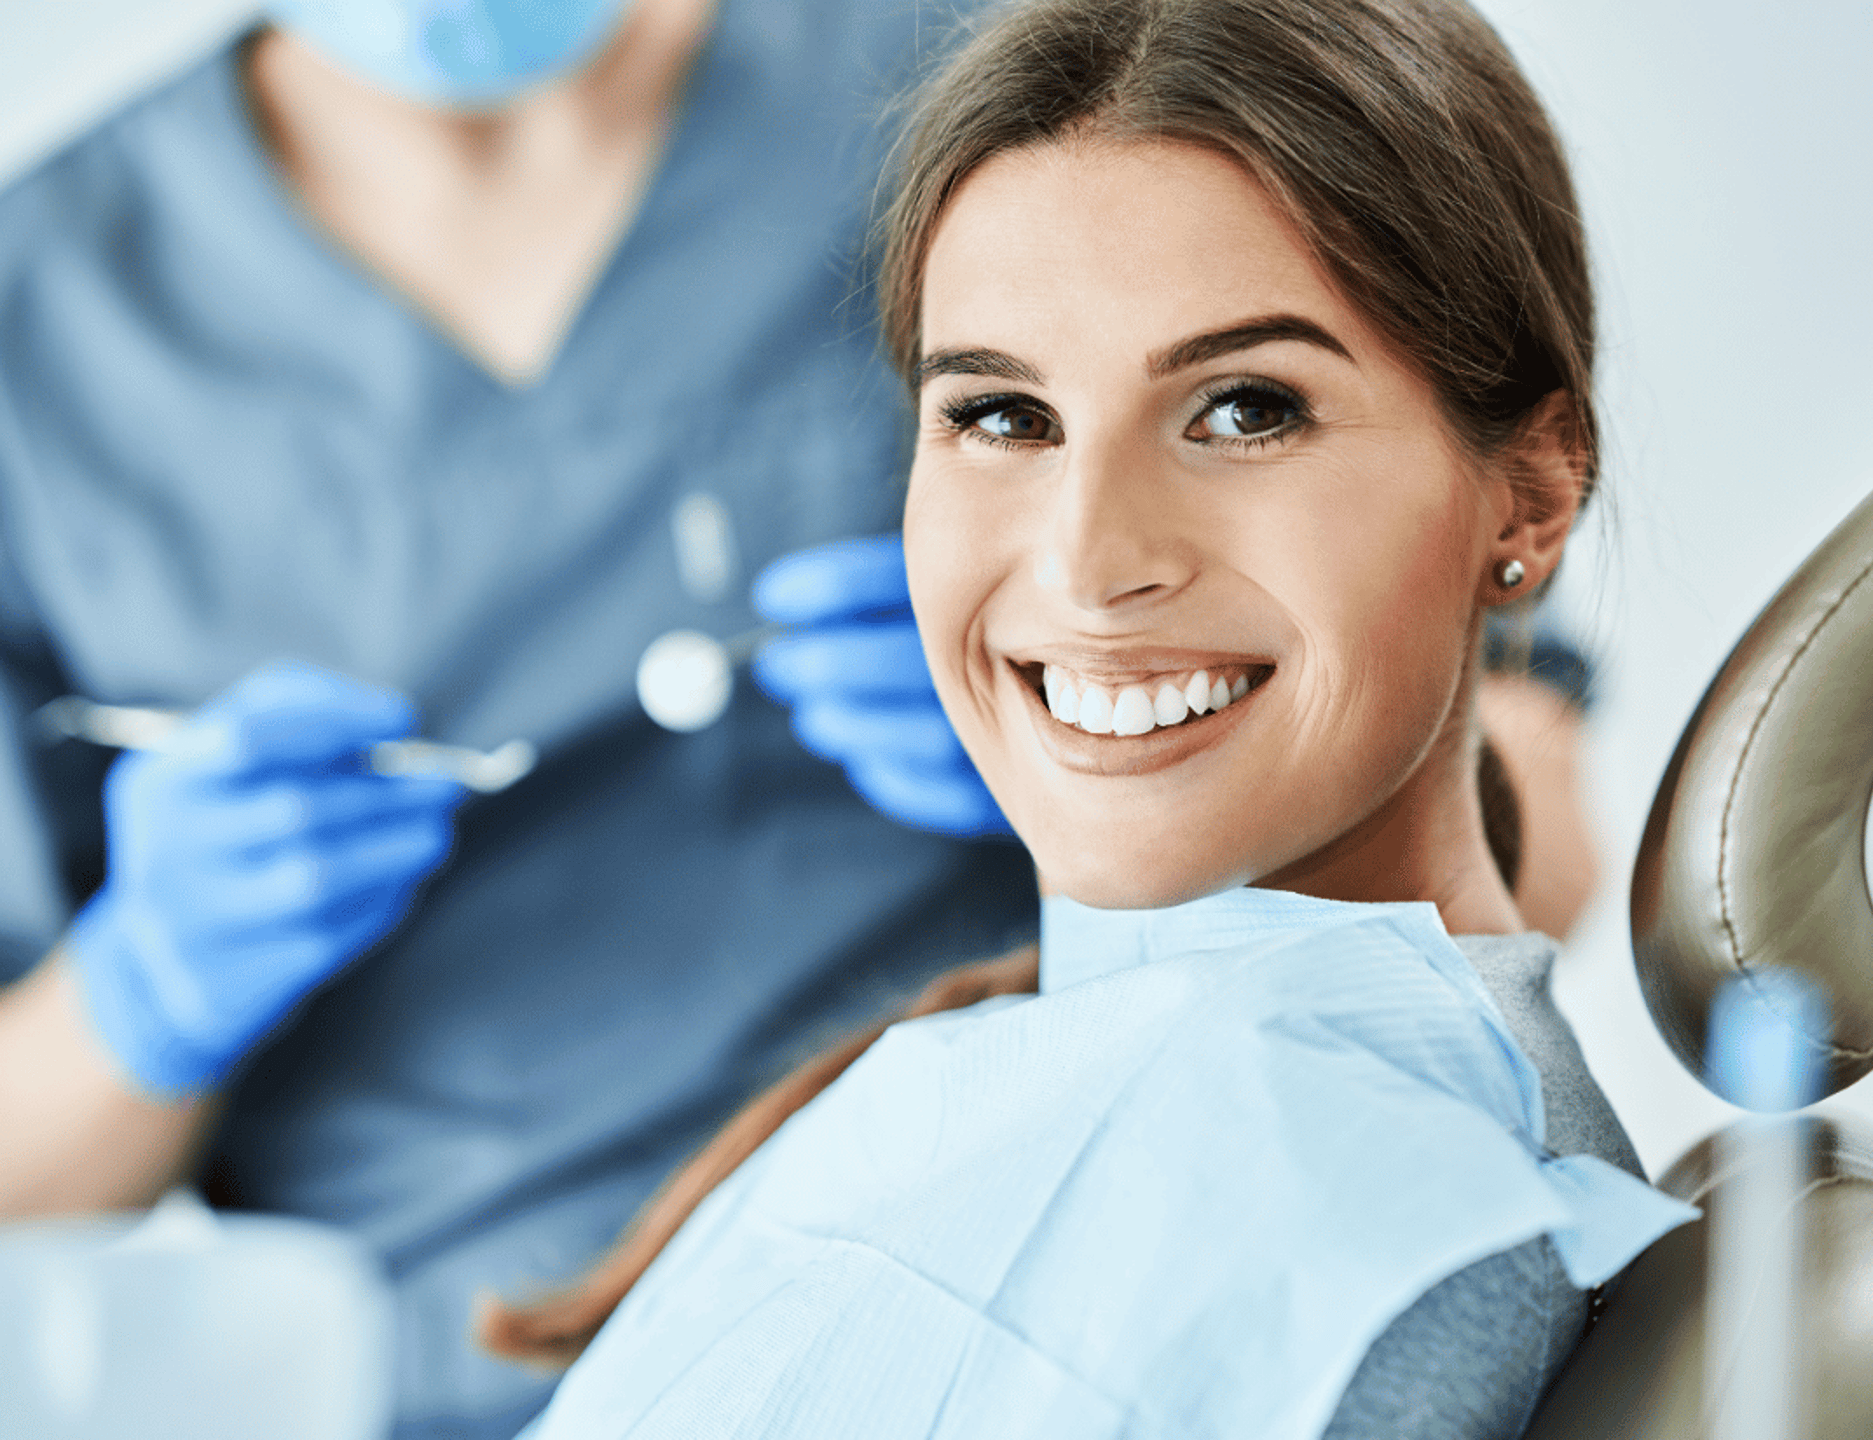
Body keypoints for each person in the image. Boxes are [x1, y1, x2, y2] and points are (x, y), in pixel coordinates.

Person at [491, 0, 1698, 1434]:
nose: (1085, 559)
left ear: (1533, 494)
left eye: (1246, 409)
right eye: (1002, 417)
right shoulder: (1066, 1068)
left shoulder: (1355, 1226)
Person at [0, 3, 1041, 1434]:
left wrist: (1102, 745)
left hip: (1042, 1238)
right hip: (498, 1373)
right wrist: (145, 997)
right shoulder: (49, 322)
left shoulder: (997, 89)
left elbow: (1429, 710)